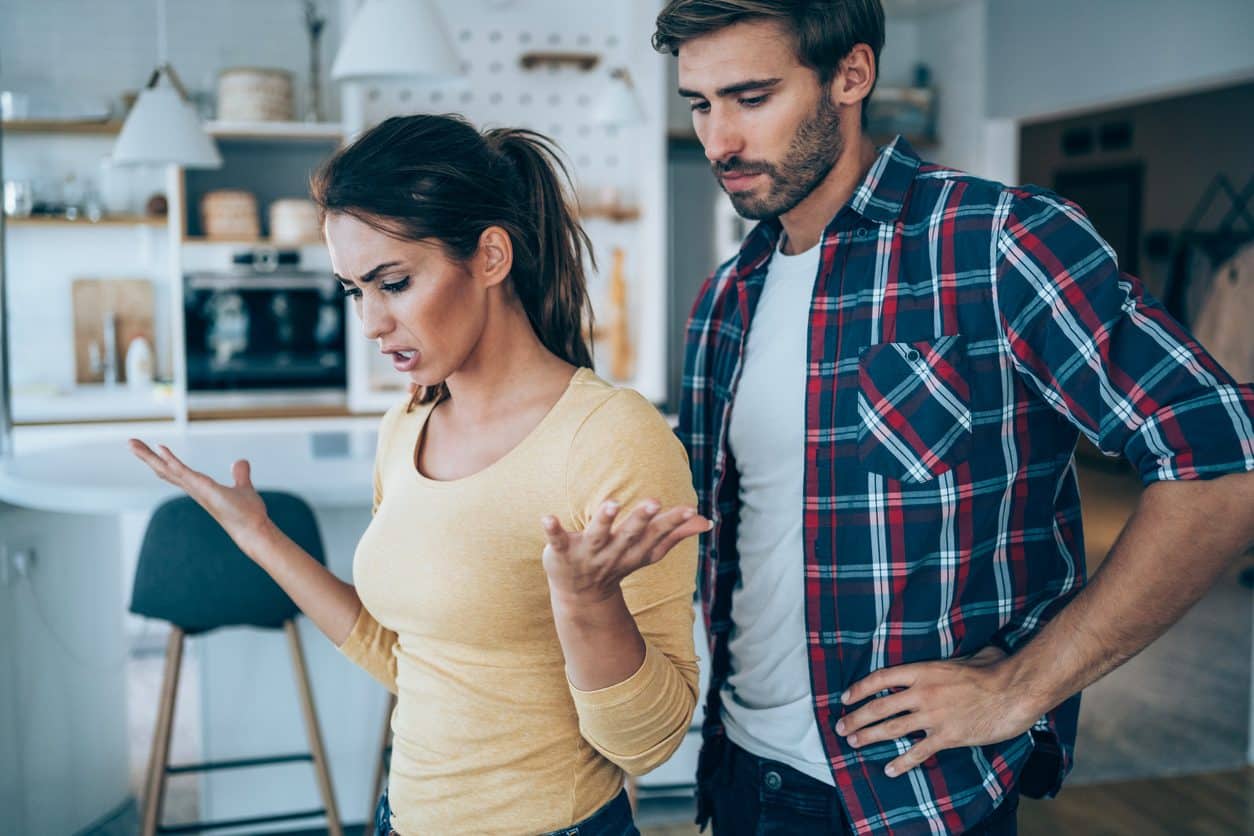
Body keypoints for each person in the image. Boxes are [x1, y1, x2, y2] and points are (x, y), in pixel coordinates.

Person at [652, 1, 1254, 834]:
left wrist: (1022, 686)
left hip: (911, 796)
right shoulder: (725, 301)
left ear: (851, 76)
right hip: (740, 777)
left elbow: (1221, 460)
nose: (719, 139)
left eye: (751, 98)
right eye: (700, 103)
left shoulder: (998, 241)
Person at [129, 113, 710, 836]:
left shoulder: (611, 436)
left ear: (491, 256)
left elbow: (647, 745)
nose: (370, 322)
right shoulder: (406, 427)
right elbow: (414, 663)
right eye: (354, 290)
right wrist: (261, 538)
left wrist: (588, 605)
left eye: (394, 283)